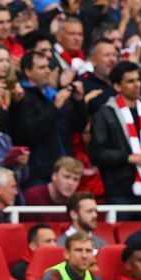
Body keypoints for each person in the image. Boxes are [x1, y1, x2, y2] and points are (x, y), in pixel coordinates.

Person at [88, 61, 141, 210]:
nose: (137, 85)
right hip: (120, 189)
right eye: (130, 81)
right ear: (117, 86)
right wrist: (129, 158)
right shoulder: (105, 113)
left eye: (138, 79)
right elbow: (97, 153)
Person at [13, 51, 87, 184]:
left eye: (48, 67)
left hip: (65, 170)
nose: (48, 71)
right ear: (28, 71)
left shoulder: (54, 95)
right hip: (40, 174)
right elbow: (29, 133)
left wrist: (79, 102)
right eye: (42, 68)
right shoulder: (22, 98)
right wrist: (55, 107)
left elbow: (78, 127)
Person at [23, 156, 83, 222]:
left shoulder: (75, 203)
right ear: (54, 176)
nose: (71, 183)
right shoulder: (32, 196)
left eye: (75, 179)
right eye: (66, 177)